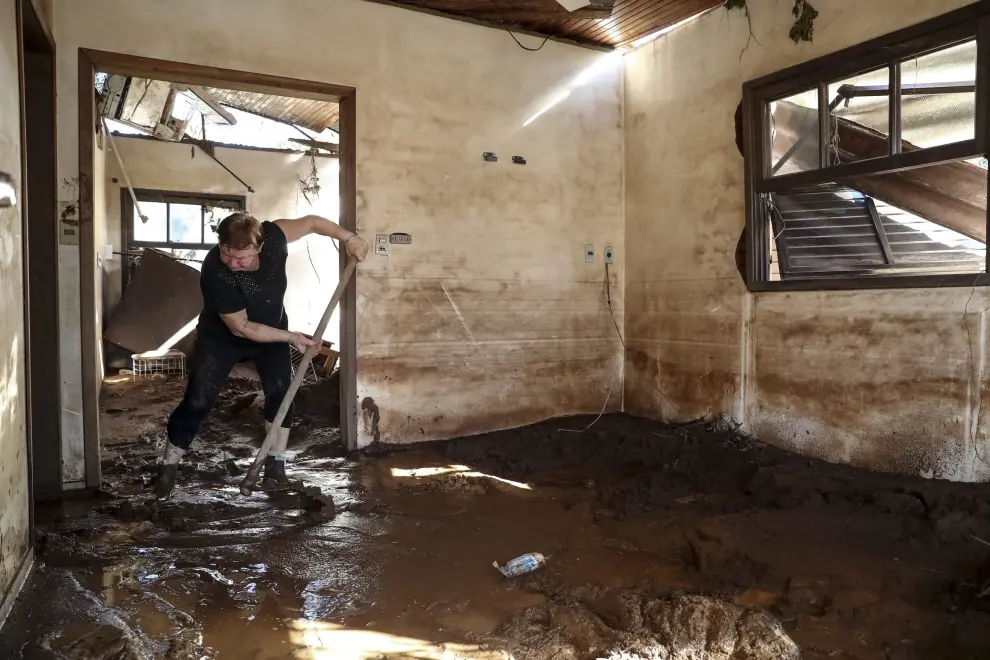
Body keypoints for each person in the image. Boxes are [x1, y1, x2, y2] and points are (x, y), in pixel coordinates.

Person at [155, 212, 370, 499]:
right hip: (221, 338)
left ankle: (275, 468)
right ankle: (168, 466)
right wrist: (293, 337)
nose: (232, 263)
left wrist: (350, 238)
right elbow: (242, 327)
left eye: (240, 258)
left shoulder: (275, 237)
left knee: (282, 394)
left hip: (271, 331)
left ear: (259, 246)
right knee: (198, 399)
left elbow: (312, 223)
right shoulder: (215, 269)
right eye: (226, 253)